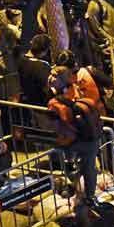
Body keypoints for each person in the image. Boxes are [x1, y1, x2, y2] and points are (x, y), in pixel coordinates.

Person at [46, 65, 103, 208]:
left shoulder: (54, 104)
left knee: (65, 161)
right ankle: (89, 197)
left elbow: (56, 126)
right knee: (89, 168)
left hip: (73, 141)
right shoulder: (77, 90)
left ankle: (72, 189)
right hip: (91, 137)